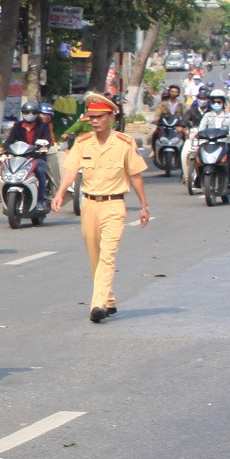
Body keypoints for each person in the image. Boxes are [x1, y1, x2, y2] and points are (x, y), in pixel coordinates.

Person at [54, 93, 151, 324]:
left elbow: (135, 175)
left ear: (110, 117)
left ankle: (98, 304)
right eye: (91, 117)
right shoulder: (83, 142)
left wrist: (144, 206)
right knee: (95, 254)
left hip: (114, 205)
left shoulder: (125, 143)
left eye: (99, 117)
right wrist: (60, 192)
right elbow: (71, 170)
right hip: (89, 204)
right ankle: (108, 299)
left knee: (108, 255)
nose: (95, 121)